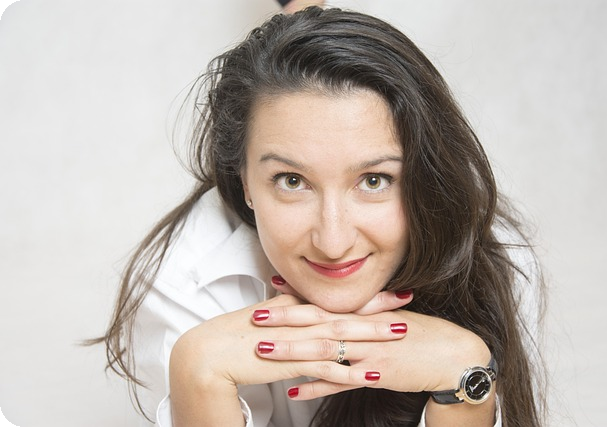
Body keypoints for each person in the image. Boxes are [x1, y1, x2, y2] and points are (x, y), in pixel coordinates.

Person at [94, 5, 547, 427]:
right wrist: (198, 372)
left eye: (374, 180)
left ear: (424, 179)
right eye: (291, 181)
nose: (333, 243)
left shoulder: (494, 263)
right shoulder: (184, 280)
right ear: (244, 182)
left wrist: (465, 377)